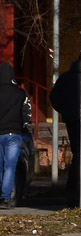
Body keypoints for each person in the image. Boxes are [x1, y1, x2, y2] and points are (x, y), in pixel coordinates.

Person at [49, 58, 81, 206]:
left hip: (71, 119)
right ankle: (77, 188)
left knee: (78, 154)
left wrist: (64, 111)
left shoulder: (65, 77)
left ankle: (72, 190)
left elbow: (53, 97)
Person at [0, 62, 31, 209]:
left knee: (0, 167)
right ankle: (5, 198)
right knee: (10, 167)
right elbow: (27, 114)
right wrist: (22, 125)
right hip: (14, 134)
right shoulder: (20, 93)